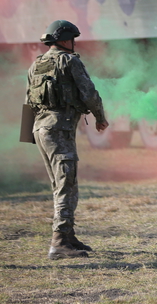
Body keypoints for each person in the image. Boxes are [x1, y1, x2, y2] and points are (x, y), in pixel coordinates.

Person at [26, 20, 109, 259]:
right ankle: (59, 243)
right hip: (59, 130)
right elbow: (89, 93)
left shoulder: (36, 64)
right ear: (64, 41)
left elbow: (28, 99)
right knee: (66, 183)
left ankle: (68, 236)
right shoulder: (70, 61)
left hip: (40, 130)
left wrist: (30, 134)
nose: (74, 44)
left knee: (60, 183)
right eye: (72, 39)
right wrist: (100, 117)